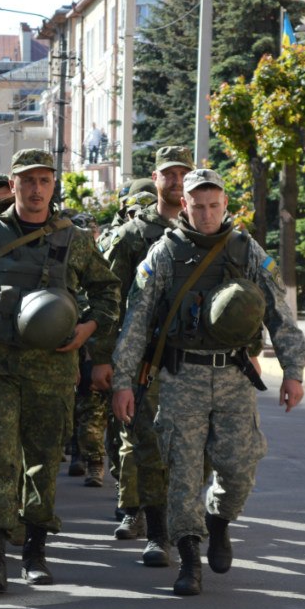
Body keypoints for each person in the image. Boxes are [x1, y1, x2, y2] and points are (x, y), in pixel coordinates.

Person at [110, 168, 305, 596]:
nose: (206, 214)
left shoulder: (246, 250)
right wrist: (123, 380)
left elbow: (279, 313)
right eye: (198, 206)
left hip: (234, 376)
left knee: (240, 467)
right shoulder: (165, 253)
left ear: (225, 204)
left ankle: (218, 522)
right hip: (182, 377)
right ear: (185, 205)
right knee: (182, 474)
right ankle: (188, 560)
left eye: (213, 205)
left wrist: (293, 371)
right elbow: (136, 321)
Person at [0, 148, 118, 592]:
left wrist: (88, 327)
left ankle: (35, 550)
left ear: (53, 185)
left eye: (44, 180)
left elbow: (108, 291)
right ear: (12, 185)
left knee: (43, 461)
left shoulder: (74, 240)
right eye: (27, 180)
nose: (36, 189)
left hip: (51, 369)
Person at [101, 145, 194, 564]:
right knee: (148, 446)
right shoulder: (132, 237)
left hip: (195, 360)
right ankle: (158, 532)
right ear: (155, 178)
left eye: (183, 174)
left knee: (195, 451)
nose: (176, 181)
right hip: (147, 360)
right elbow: (108, 300)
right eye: (168, 174)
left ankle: (188, 525)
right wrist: (105, 360)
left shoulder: (209, 231)